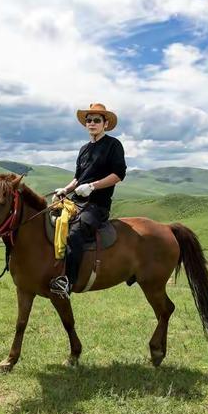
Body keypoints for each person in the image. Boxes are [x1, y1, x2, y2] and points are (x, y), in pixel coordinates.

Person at [49, 103, 126, 297]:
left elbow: (118, 175)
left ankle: (67, 282)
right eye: (88, 120)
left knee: (74, 234)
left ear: (105, 124)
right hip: (76, 201)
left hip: (97, 205)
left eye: (96, 120)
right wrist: (65, 189)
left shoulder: (113, 145)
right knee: (50, 221)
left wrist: (92, 186)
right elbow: (78, 178)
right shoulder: (83, 149)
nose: (91, 123)